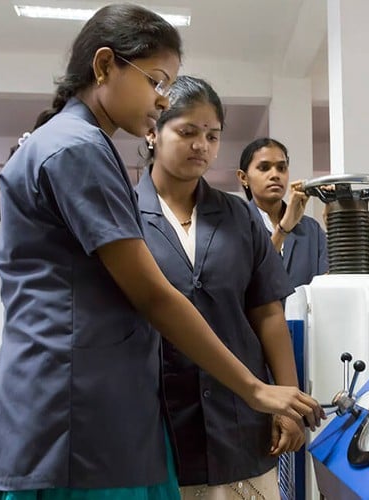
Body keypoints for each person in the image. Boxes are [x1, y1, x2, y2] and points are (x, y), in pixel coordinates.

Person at [0, 4, 322, 499]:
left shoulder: (80, 146)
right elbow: (154, 296)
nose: (161, 99)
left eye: (213, 135)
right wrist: (257, 389)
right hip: (78, 416)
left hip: (99, 411)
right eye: (155, 81)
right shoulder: (79, 150)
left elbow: (265, 308)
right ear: (104, 66)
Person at [136, 76, 304, 499]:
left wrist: (287, 401)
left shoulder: (239, 217)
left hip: (239, 419)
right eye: (187, 132)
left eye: (212, 135)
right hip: (153, 419)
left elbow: (267, 313)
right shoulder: (123, 214)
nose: (201, 146)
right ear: (153, 132)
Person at [237, 138, 328, 290]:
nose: (275, 175)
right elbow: (247, 280)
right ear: (243, 177)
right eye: (264, 168)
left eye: (281, 168)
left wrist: (336, 224)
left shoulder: (311, 229)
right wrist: (284, 228)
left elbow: (329, 285)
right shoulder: (235, 226)